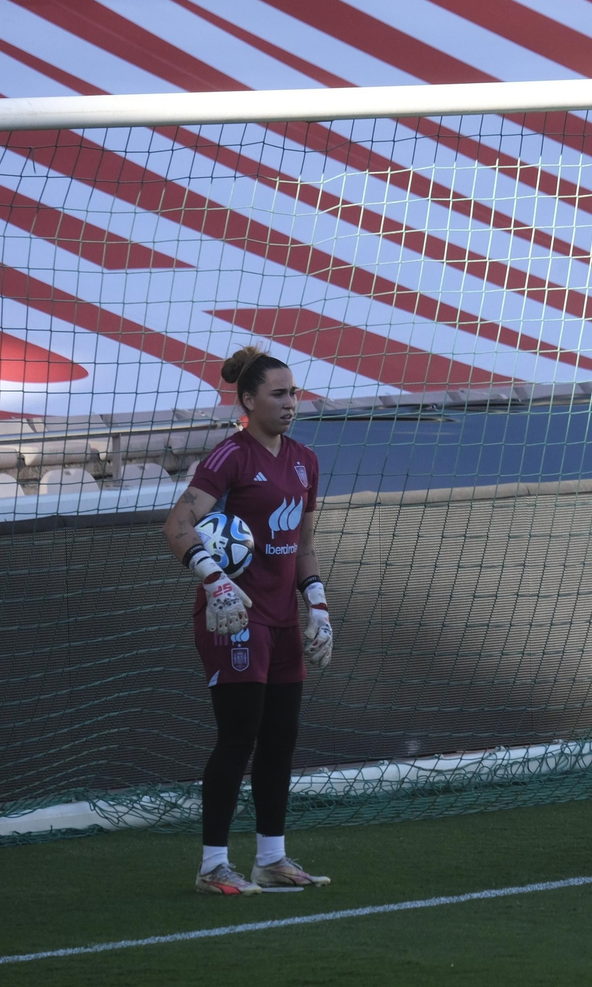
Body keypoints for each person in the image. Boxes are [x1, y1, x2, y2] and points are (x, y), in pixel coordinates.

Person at [162, 346, 336, 896]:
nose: (290, 403)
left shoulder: (305, 460)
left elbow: (302, 546)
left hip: (284, 618)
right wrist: (214, 580)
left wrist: (320, 606)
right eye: (278, 394)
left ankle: (270, 860)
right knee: (239, 736)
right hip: (235, 616)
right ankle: (213, 865)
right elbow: (177, 523)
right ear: (248, 400)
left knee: (281, 737)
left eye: (293, 393)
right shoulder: (230, 457)